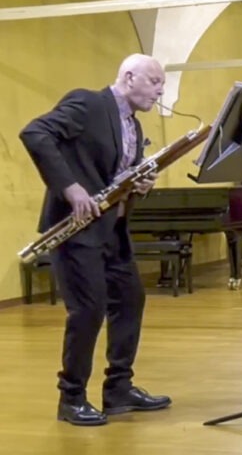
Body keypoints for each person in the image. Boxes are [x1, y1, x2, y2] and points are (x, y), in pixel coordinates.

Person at [19, 54, 172, 426]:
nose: (160, 90)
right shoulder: (88, 103)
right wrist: (70, 188)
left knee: (130, 299)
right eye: (155, 81)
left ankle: (118, 389)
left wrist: (141, 184)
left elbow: (118, 176)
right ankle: (71, 398)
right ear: (129, 77)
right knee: (88, 310)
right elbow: (34, 133)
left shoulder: (133, 124)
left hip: (112, 231)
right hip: (77, 229)